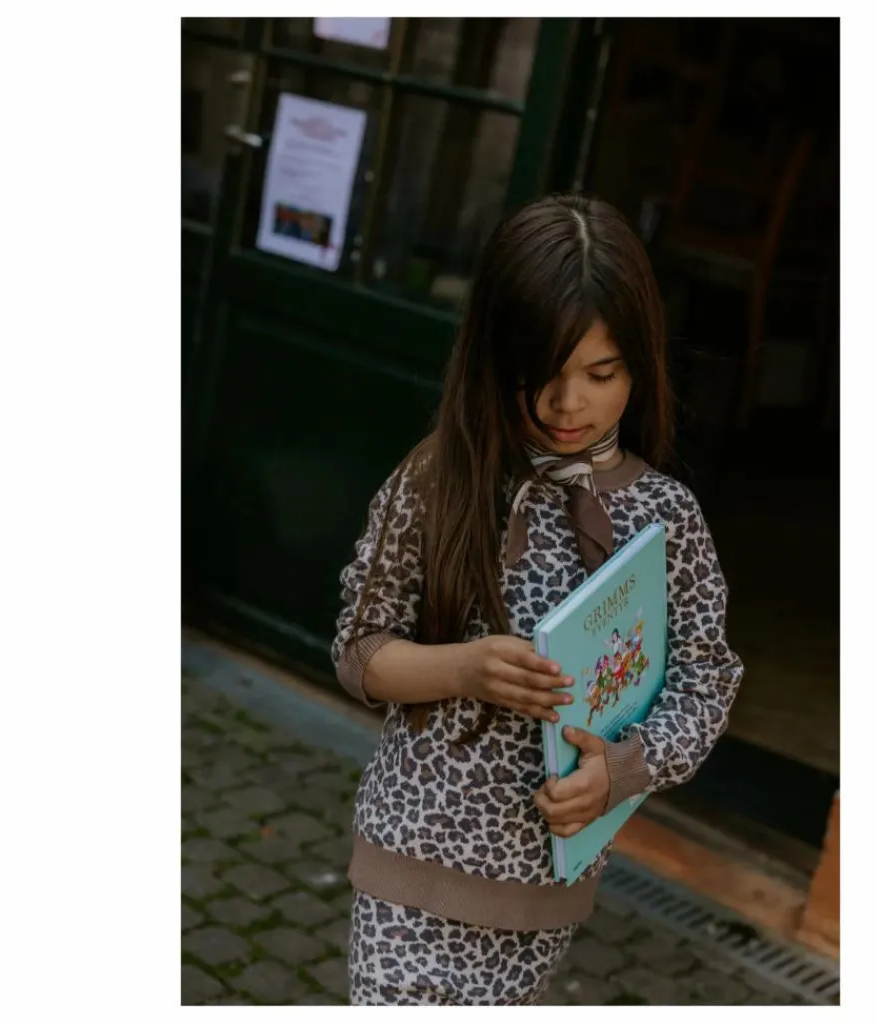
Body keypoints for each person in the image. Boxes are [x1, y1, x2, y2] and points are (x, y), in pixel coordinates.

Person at [332, 194, 744, 1006]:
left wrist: (623, 770)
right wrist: (465, 669)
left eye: (601, 374)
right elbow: (358, 649)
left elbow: (706, 680)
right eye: (540, 374)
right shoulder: (438, 477)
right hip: (408, 863)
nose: (567, 404)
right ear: (494, 356)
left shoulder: (664, 518)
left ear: (641, 364)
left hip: (545, 886)